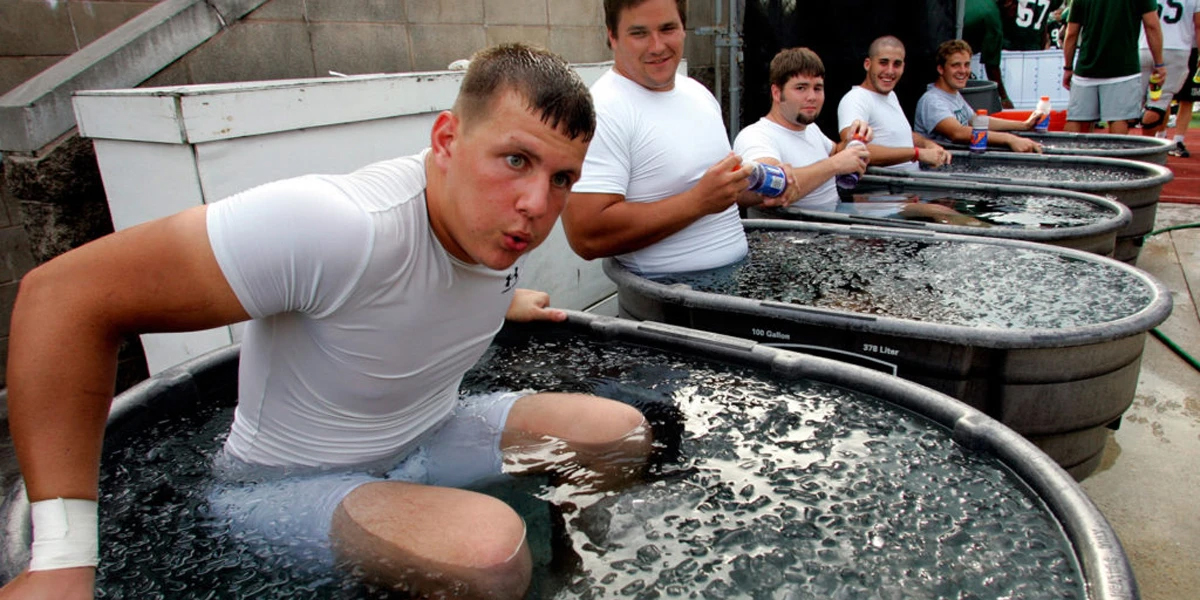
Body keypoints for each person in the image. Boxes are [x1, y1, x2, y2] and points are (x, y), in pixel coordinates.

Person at [0, 43, 652, 600]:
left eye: (562, 176)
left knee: (618, 434)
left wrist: (507, 299)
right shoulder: (339, 225)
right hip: (287, 487)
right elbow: (63, 297)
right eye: (515, 160)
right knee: (490, 554)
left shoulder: (495, 230)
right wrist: (61, 559)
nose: (537, 204)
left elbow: (420, 294)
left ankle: (570, 569)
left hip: (430, 433)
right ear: (447, 140)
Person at [563, 0, 770, 277]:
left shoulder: (698, 93)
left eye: (668, 28)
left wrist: (760, 188)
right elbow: (586, 235)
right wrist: (697, 201)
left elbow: (714, 192)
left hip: (735, 281)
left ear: (684, 29)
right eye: (639, 33)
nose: (657, 46)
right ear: (612, 36)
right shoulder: (601, 109)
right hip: (668, 299)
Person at [732, 47, 872, 212]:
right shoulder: (756, 136)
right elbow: (771, 186)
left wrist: (854, 139)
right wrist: (835, 165)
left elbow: (837, 152)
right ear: (777, 93)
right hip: (793, 234)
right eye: (801, 88)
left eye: (817, 88)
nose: (812, 97)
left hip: (835, 224)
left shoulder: (810, 129)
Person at [837, 36, 953, 172]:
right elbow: (853, 149)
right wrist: (917, 154)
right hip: (885, 189)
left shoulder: (890, 95)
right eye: (883, 63)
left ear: (903, 67)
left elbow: (900, 135)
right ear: (867, 64)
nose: (890, 71)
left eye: (896, 64)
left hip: (911, 185)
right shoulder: (855, 99)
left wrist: (928, 145)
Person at [915, 39, 1045, 152]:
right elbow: (957, 133)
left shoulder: (953, 94)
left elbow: (976, 121)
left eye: (966, 65)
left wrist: (1023, 125)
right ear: (941, 69)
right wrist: (1008, 139)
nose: (963, 71)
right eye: (956, 65)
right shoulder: (932, 100)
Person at [1062, 0, 1164, 134]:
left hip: (1086, 66)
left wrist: (1068, 67)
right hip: (1123, 68)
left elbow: (1071, 33)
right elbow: (1152, 25)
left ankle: (1072, 154)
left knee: (1077, 118)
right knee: (1118, 118)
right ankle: (1116, 155)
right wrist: (1159, 63)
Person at [1138, 0, 1200, 138]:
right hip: (1176, 50)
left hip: (1144, 46)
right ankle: (1146, 146)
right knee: (1157, 104)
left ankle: (1126, 141)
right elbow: (1198, 26)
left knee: (1133, 103)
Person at [964, 0, 1018, 108]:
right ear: (1009, 2)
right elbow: (991, 66)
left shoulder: (982, 4)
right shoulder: (992, 16)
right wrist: (1003, 98)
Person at [1168, 47, 1198, 156]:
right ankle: (1161, 138)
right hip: (1172, 50)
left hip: (1188, 50)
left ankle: (1177, 140)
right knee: (1165, 97)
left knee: (1187, 99)